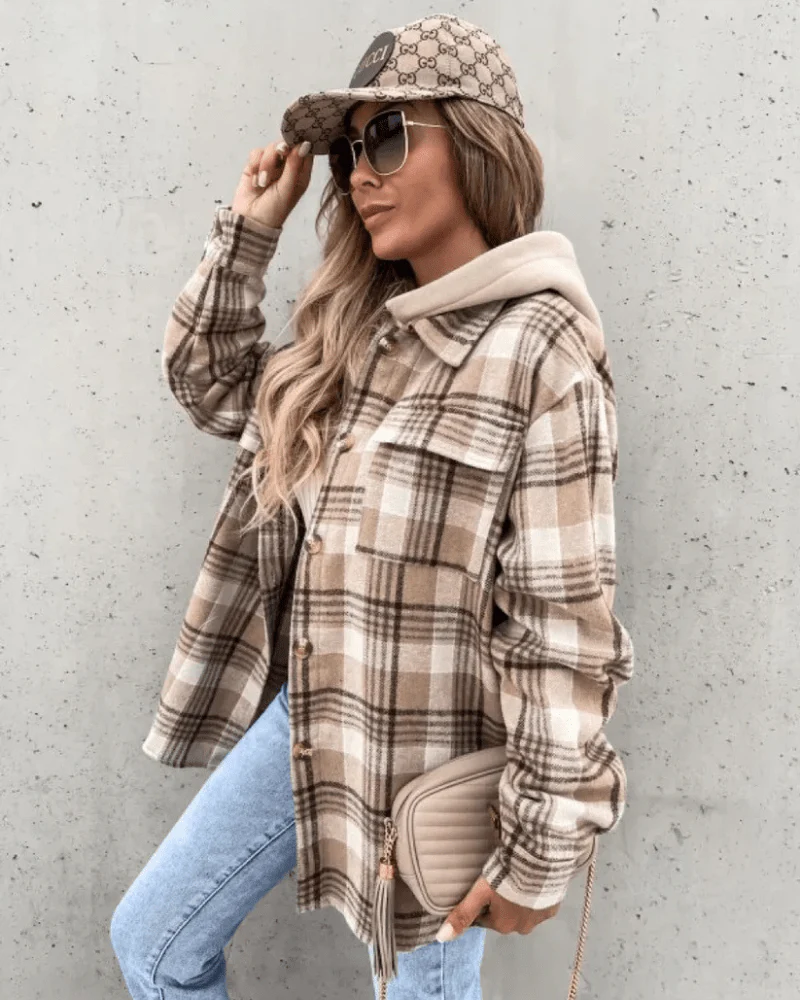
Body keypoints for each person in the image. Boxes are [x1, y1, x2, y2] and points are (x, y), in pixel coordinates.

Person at [109, 13, 635, 1000]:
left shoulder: (542, 351)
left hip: (430, 768)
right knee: (154, 941)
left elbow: (562, 630)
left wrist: (538, 847)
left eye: (387, 135)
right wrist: (251, 231)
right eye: (351, 149)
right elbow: (208, 382)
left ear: (475, 145)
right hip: (310, 718)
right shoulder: (361, 332)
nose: (358, 174)